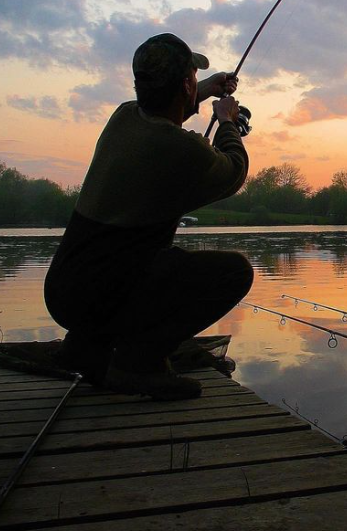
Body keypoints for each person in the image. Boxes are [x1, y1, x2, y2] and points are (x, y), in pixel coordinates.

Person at [44, 33, 253, 400]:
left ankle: (85, 345)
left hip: (64, 292)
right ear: (185, 83)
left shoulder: (123, 117)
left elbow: (163, 110)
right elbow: (234, 171)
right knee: (235, 272)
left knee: (159, 259)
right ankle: (137, 363)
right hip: (99, 297)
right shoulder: (181, 149)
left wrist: (203, 90)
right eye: (192, 76)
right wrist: (228, 122)